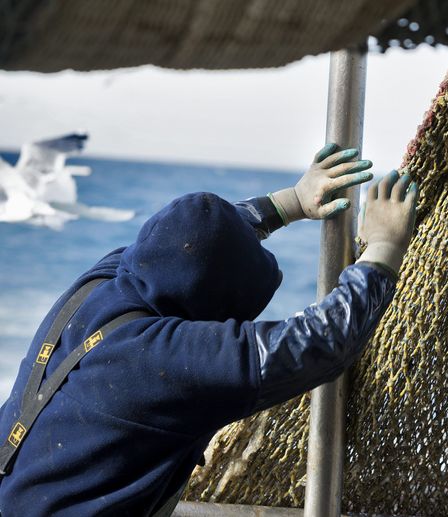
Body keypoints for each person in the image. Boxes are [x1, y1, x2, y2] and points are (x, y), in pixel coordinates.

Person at [0, 143, 417, 516]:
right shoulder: (166, 359)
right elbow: (321, 344)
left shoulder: (103, 281)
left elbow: (191, 239)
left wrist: (290, 202)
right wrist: (383, 248)